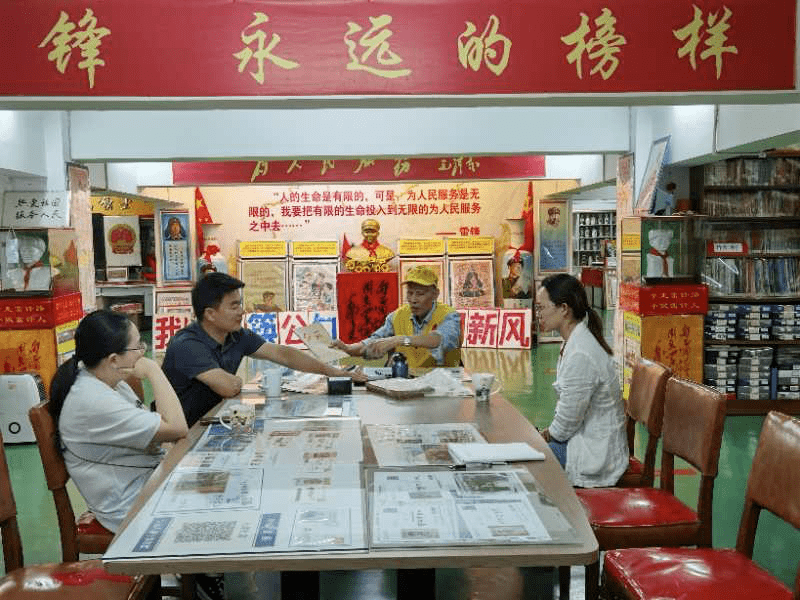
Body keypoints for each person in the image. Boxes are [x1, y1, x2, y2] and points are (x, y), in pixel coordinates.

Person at [162, 272, 366, 428]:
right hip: (181, 432)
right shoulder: (187, 345)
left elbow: (283, 354)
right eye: (234, 306)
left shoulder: (237, 335)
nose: (242, 312)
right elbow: (228, 387)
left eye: (240, 304)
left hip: (212, 421)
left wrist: (335, 372)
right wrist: (237, 381)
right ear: (210, 314)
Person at [535, 273, 627, 488]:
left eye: (542, 307)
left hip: (593, 455)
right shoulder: (574, 341)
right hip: (584, 440)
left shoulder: (580, 353)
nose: (538, 314)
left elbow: (564, 426)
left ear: (564, 309)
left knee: (528, 461)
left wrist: (544, 435)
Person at [331, 265, 461, 368]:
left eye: (420, 294)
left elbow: (440, 340)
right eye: (410, 293)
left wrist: (399, 340)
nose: (413, 299)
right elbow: (373, 341)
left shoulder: (449, 315)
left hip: (444, 387)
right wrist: (347, 348)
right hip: (407, 383)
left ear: (435, 294)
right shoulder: (397, 316)